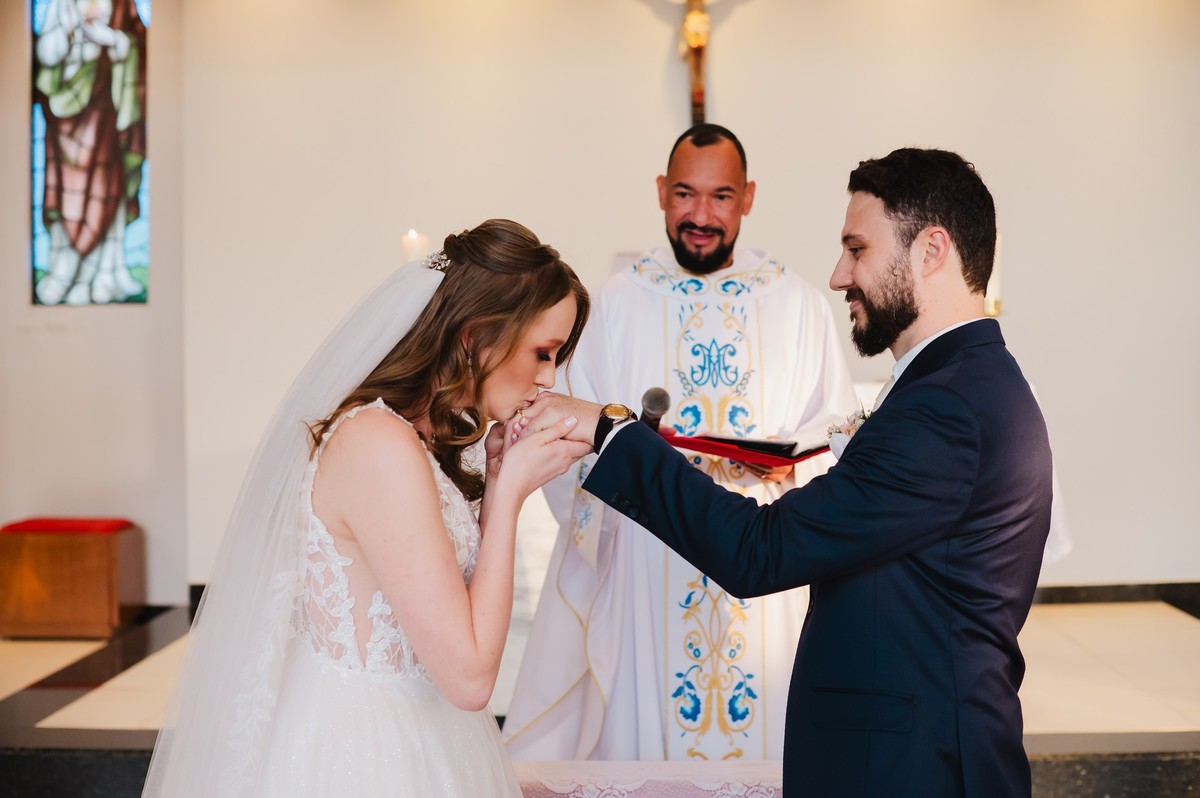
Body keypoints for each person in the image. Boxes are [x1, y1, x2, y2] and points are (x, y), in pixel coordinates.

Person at [520, 149, 1053, 797]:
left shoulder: (945, 409)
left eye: (858, 248)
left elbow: (760, 550)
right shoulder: (966, 385)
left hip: (916, 767)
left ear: (931, 250)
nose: (838, 275)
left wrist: (613, 432)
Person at [142, 219, 594, 797]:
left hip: (427, 731)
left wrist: (502, 481)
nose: (549, 378)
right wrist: (505, 500)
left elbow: (445, 609)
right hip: (366, 753)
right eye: (543, 352)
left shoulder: (414, 437)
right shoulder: (377, 445)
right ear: (476, 335)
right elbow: (470, 676)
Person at [503, 124, 857, 761]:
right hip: (649, 561)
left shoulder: (798, 303)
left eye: (720, 197)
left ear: (747, 198)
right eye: (685, 195)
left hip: (762, 553)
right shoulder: (613, 304)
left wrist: (789, 466)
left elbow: (832, 433)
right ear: (662, 192)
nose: (701, 216)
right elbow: (571, 443)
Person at [34, 0, 147, 305]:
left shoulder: (123, 6)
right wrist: (72, 36)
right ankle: (63, 272)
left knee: (108, 187)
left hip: (106, 115)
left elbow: (136, 43)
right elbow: (46, 53)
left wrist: (114, 43)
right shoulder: (61, 5)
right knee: (67, 194)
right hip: (65, 120)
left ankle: (103, 274)